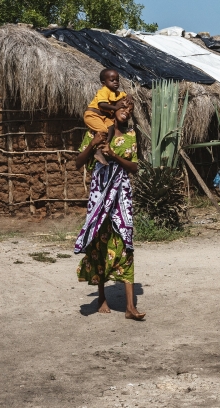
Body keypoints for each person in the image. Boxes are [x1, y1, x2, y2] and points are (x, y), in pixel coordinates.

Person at [73, 98, 145, 320]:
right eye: (123, 107)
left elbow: (134, 168)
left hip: (121, 198)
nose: (126, 111)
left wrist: (113, 155)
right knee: (99, 243)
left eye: (130, 109)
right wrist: (93, 143)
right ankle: (102, 296)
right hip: (100, 196)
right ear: (112, 109)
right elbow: (78, 163)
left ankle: (130, 307)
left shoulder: (131, 136)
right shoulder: (96, 132)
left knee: (126, 243)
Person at [83, 68, 127, 165]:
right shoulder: (104, 90)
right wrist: (116, 107)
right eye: (112, 80)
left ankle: (105, 144)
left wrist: (129, 98)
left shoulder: (116, 93)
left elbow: (125, 95)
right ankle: (98, 152)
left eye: (117, 80)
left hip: (104, 118)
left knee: (111, 126)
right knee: (103, 130)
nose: (115, 82)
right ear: (104, 82)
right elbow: (102, 104)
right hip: (93, 115)